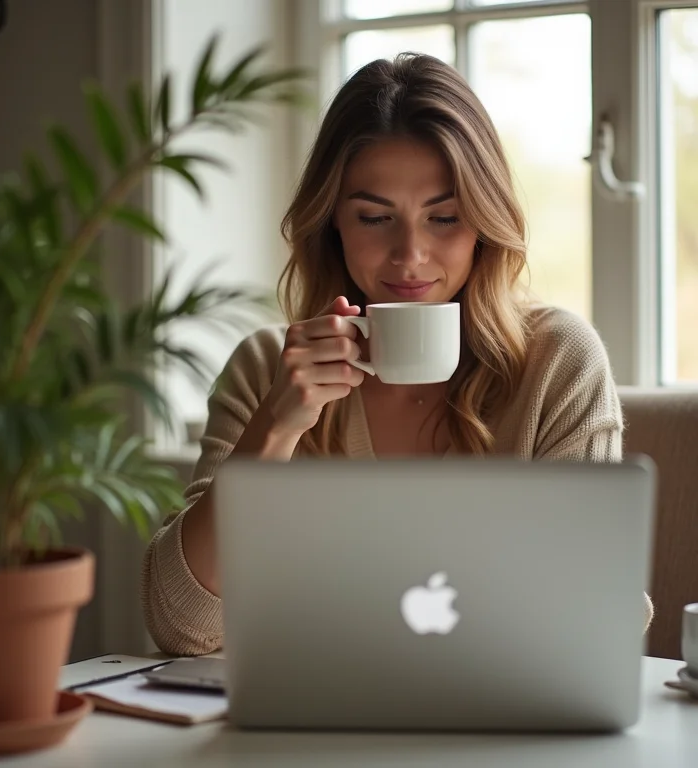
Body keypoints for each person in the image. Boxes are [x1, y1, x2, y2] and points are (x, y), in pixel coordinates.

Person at [141, 53, 654, 656]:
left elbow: (596, 619)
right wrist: (275, 430)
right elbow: (181, 625)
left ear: (484, 224)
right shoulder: (266, 367)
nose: (410, 255)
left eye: (445, 217)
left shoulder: (557, 362)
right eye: (375, 217)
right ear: (332, 222)